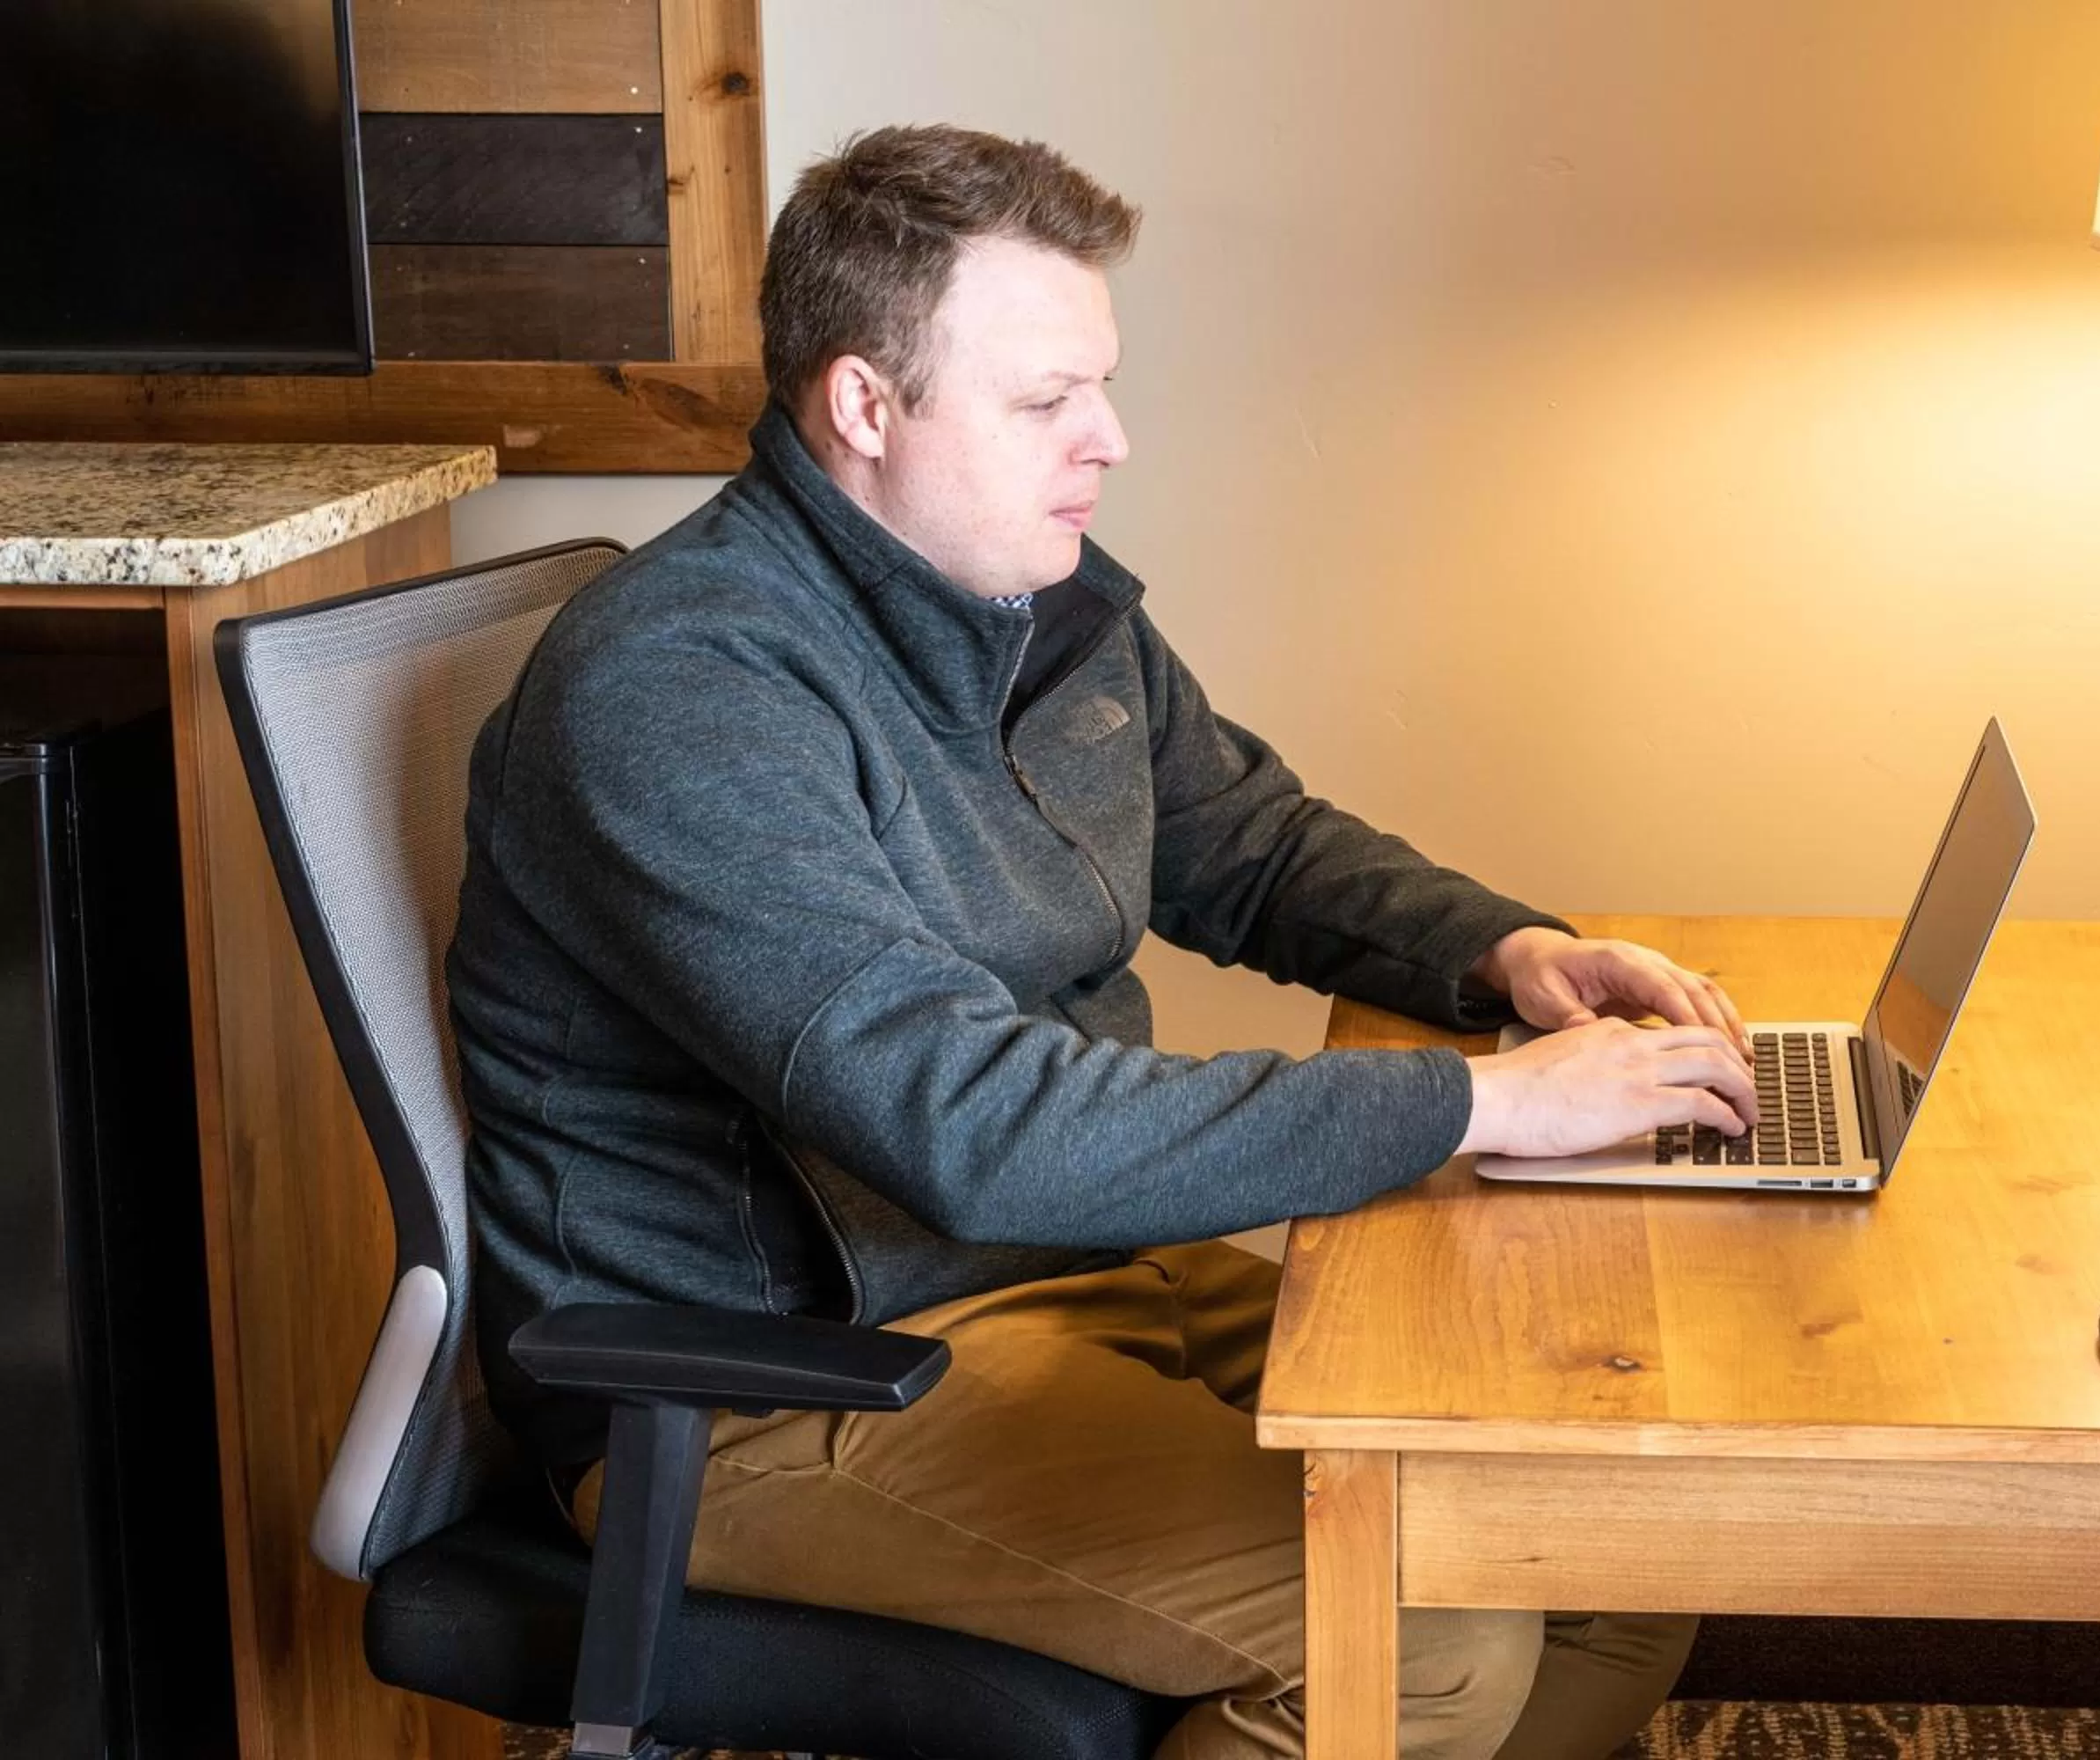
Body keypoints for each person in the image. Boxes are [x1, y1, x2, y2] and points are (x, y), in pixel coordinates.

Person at [448, 123, 1761, 1760]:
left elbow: (1252, 847)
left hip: (1060, 1274)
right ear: (866, 405)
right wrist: (1487, 1109)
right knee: (1424, 1645)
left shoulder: (1029, 601)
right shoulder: (683, 691)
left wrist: (1508, 954)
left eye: (1103, 387)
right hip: (779, 1386)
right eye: (1046, 401)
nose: (1112, 440)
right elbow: (974, 1127)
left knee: (1618, 1543)